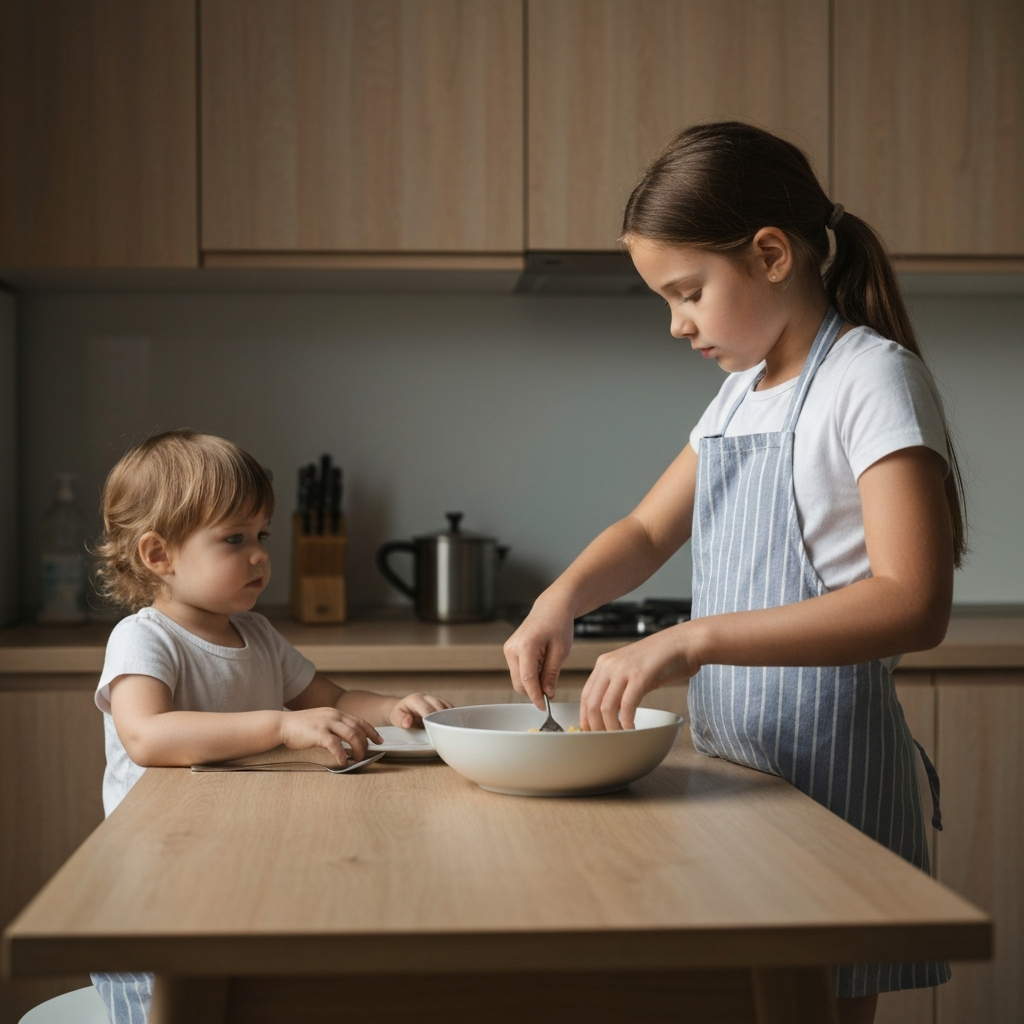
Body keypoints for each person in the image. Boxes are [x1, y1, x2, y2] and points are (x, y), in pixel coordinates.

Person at [503, 122, 964, 1024]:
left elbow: (914, 603)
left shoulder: (871, 380)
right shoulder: (739, 394)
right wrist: (557, 599)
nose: (676, 323)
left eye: (688, 293)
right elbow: (645, 529)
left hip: (832, 782)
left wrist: (692, 637)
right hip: (742, 774)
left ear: (770, 253)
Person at [89, 429, 451, 1022]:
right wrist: (280, 727)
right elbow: (147, 737)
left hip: (230, 864)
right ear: (159, 555)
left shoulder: (256, 634)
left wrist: (390, 706)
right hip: (150, 890)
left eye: (261, 534)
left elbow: (330, 697)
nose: (259, 554)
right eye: (233, 539)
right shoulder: (144, 638)